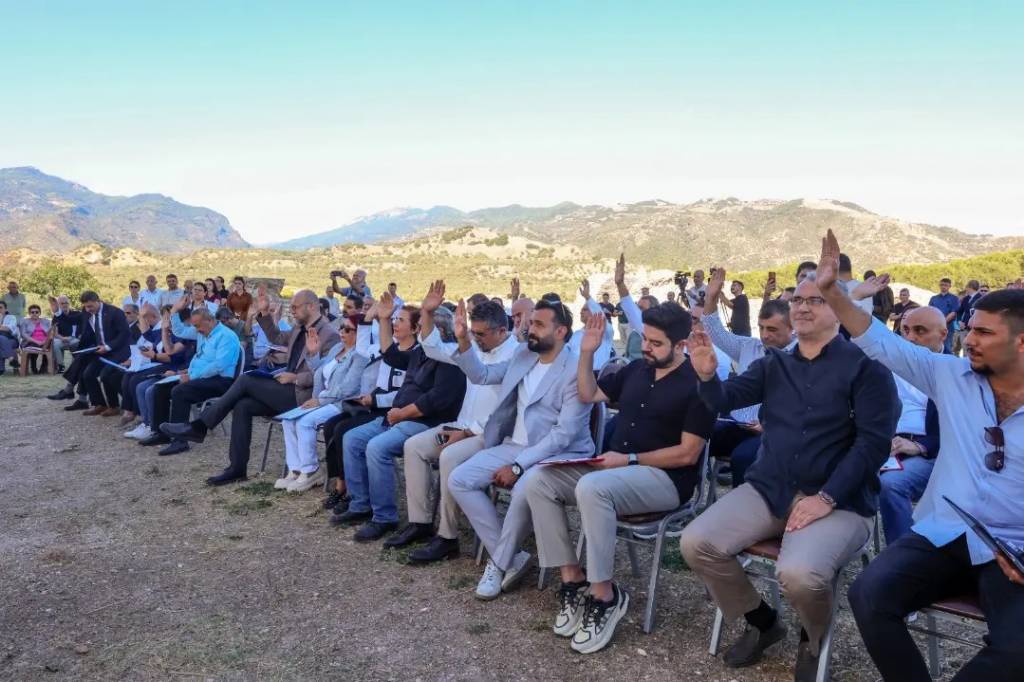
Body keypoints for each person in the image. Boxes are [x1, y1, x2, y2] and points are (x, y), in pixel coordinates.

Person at [813, 229, 1024, 682]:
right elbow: (880, 341)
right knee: (868, 596)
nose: (969, 339)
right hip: (947, 534)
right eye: (970, 328)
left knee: (1016, 654)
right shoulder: (950, 376)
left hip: (1016, 551)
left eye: (985, 332)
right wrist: (833, 291)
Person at [679, 273, 898, 682]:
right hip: (771, 488)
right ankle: (762, 622)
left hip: (841, 499)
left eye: (816, 300)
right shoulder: (774, 364)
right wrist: (708, 376)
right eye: (798, 299)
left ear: (841, 309)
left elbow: (873, 446)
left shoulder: (867, 371)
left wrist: (827, 498)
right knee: (696, 542)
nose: (802, 306)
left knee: (798, 574)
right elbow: (726, 400)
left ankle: (812, 638)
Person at [524, 303, 714, 653]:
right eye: (645, 340)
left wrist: (628, 458)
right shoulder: (636, 370)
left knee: (592, 488)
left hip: (665, 481)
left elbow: (688, 453)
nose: (646, 348)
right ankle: (573, 579)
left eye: (656, 344)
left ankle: (604, 595)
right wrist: (586, 353)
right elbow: (588, 394)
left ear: (681, 344)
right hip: (614, 468)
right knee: (539, 480)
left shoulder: (698, 383)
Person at [447, 299, 594, 600]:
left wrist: (519, 466)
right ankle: (513, 557)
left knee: (524, 487)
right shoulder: (524, 355)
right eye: (531, 323)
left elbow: (564, 434)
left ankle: (498, 564)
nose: (530, 329)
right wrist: (463, 340)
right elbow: (482, 376)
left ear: (562, 331)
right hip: (514, 445)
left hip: (558, 454)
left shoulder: (575, 368)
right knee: (459, 479)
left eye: (539, 324)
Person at [390, 283, 519, 563]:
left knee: (449, 457)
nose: (476, 339)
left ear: (501, 330)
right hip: (461, 426)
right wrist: (427, 311)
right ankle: (420, 522)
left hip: (489, 435)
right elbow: (434, 347)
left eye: (481, 334)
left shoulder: (515, 355)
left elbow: (508, 409)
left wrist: (469, 432)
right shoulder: (476, 344)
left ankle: (447, 537)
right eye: (474, 332)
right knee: (414, 447)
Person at [160, 290, 340, 482]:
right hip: (286, 388)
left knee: (246, 380)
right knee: (242, 405)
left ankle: (200, 426)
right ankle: (237, 469)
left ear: (311, 306)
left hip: (304, 396)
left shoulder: (329, 335)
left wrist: (296, 377)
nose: (292, 312)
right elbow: (277, 338)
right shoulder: (300, 327)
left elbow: (329, 375)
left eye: (295, 307)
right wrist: (264, 314)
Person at [331, 293, 465, 542]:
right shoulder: (421, 352)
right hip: (397, 418)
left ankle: (384, 517)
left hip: (422, 423)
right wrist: (383, 320)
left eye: (424, 326)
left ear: (437, 331)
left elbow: (436, 400)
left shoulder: (450, 359)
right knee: (352, 439)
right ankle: (361, 504)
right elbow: (391, 354)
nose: (420, 331)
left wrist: (403, 412)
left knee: (376, 448)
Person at [701, 267, 794, 486]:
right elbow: (715, 331)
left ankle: (745, 515)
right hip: (738, 425)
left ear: (793, 329)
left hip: (773, 433)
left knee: (743, 457)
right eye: (761, 328)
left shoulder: (802, 356)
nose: (764, 335)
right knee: (695, 435)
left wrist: (768, 425)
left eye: (772, 329)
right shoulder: (748, 346)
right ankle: (684, 500)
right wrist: (712, 297)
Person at [276, 315, 370, 493]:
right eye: (341, 327)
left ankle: (312, 471)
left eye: (348, 329)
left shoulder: (360, 356)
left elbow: (348, 388)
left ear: (361, 333)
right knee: (288, 421)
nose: (342, 332)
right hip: (322, 399)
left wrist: (320, 400)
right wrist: (313, 352)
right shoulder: (337, 348)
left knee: (305, 422)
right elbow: (319, 371)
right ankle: (296, 470)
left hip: (340, 404)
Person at [878, 305, 945, 543]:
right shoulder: (888, 368)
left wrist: (920, 447)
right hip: (886, 446)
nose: (911, 337)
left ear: (943, 335)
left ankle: (901, 560)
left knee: (891, 485)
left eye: (920, 331)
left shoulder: (954, 373)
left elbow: (961, 432)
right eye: (906, 330)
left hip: (930, 454)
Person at [139, 307, 242, 456]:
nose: (196, 329)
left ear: (211, 320)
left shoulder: (227, 336)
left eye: (198, 325)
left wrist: (192, 376)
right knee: (160, 388)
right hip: (199, 376)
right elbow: (179, 332)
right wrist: (175, 312)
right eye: (195, 325)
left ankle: (180, 441)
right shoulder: (203, 332)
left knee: (180, 391)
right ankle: (161, 434)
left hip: (221, 381)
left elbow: (219, 365)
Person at [75, 291, 132, 417]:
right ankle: (99, 404)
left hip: (118, 351)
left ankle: (114, 406)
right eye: (85, 306)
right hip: (101, 351)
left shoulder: (115, 312)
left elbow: (124, 334)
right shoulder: (88, 313)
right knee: (88, 374)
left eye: (90, 306)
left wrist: (108, 346)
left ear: (97, 301)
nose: (88, 309)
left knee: (106, 375)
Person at [568, 279, 614, 370]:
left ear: (594, 312)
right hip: (576, 377)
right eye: (581, 310)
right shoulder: (576, 334)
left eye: (585, 310)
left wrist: (587, 297)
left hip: (598, 377)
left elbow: (601, 316)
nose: (581, 312)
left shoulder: (604, 333)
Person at [47, 295, 82, 374]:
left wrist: (78, 336)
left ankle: (75, 366)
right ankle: (61, 365)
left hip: (75, 338)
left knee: (77, 343)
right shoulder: (56, 317)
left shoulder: (76, 314)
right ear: (58, 305)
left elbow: (82, 328)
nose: (65, 305)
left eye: (66, 303)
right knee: (55, 343)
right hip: (61, 339)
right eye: (62, 303)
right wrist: (62, 338)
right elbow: (55, 333)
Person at [18, 304, 52, 374]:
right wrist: (36, 341)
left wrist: (45, 341)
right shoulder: (25, 322)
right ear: (29, 313)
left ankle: (43, 368)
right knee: (33, 346)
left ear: (40, 313)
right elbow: (23, 334)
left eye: (36, 312)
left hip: (44, 341)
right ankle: (34, 367)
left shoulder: (46, 321)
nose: (34, 314)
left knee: (49, 346)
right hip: (30, 341)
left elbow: (50, 333)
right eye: (32, 312)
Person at [929, 277, 960, 354]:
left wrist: (942, 322)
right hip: (934, 327)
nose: (943, 286)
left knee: (947, 348)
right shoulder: (934, 298)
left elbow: (953, 313)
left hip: (947, 328)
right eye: (942, 285)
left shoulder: (954, 298)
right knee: (934, 347)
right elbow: (930, 311)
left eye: (946, 285)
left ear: (949, 286)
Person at [954, 280, 983, 356]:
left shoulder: (981, 298)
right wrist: (959, 321)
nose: (966, 289)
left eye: (967, 287)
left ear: (970, 287)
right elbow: (959, 311)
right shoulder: (966, 298)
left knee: (971, 351)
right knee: (964, 350)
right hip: (963, 329)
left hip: (974, 329)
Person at [0, 300, 19, 375]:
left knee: (1, 338)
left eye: (0, 308)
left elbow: (8, 329)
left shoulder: (11, 317)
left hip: (11, 339)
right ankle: (11, 359)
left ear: (6, 309)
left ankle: (2, 367)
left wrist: (1, 319)